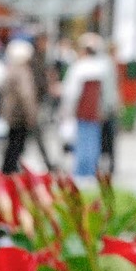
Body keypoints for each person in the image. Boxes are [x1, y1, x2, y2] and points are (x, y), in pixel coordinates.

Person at [60, 33, 117, 182]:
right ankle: (91, 170)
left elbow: (72, 92)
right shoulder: (103, 68)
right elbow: (109, 92)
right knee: (93, 140)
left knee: (82, 140)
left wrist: (67, 110)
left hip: (82, 109)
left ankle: (81, 171)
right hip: (96, 110)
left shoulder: (79, 67)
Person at [0, 39, 37, 174]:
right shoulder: (22, 71)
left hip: (10, 114)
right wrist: (31, 114)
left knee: (11, 143)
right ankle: (10, 170)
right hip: (20, 115)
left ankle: (7, 169)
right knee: (17, 145)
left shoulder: (10, 69)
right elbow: (26, 95)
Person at [29, 33, 55, 171]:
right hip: (33, 102)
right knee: (32, 134)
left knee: (34, 134)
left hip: (36, 101)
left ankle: (47, 162)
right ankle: (47, 162)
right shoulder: (34, 59)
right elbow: (36, 82)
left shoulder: (41, 57)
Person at [100, 41, 122, 175]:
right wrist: (112, 106)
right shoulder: (108, 65)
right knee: (109, 138)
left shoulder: (107, 65)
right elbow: (109, 90)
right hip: (108, 109)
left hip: (108, 107)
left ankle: (108, 164)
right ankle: (110, 166)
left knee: (107, 138)